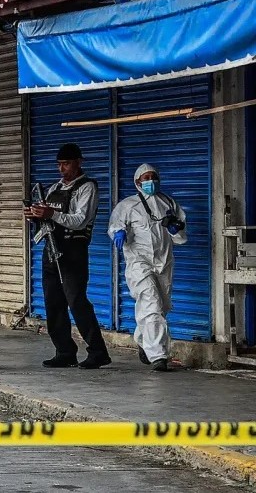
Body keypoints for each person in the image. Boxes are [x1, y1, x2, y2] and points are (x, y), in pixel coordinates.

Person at [26, 143, 111, 369]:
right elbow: (48, 218)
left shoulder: (87, 187)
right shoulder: (54, 187)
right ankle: (64, 351)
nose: (62, 169)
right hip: (50, 250)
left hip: (73, 251)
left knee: (77, 301)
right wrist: (35, 215)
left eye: (66, 164)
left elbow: (80, 220)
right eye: (59, 164)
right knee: (53, 303)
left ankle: (98, 351)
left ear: (79, 162)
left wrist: (51, 213)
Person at [108, 164, 186, 372]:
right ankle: (158, 356)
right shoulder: (128, 205)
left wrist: (175, 228)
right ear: (137, 182)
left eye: (153, 176)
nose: (150, 180)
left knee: (162, 307)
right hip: (139, 263)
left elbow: (180, 237)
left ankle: (143, 339)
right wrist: (118, 232)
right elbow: (115, 224)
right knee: (151, 304)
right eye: (146, 177)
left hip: (164, 262)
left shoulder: (168, 203)